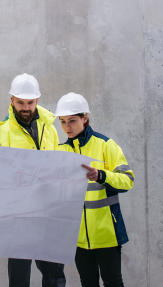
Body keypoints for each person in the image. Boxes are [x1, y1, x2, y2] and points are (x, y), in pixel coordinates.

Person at [0, 73, 66, 287]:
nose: (25, 107)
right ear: (11, 100)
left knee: (54, 275)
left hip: (47, 213)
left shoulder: (49, 129)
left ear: (37, 101)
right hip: (18, 217)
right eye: (20, 102)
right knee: (19, 277)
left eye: (30, 102)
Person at [55, 92, 134, 287]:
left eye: (72, 120)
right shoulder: (61, 151)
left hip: (107, 234)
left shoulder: (105, 145)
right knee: (88, 282)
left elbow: (128, 180)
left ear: (85, 117)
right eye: (63, 122)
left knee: (113, 282)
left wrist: (102, 175)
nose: (67, 127)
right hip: (79, 238)